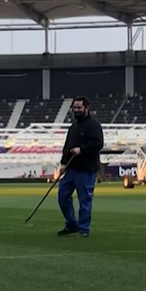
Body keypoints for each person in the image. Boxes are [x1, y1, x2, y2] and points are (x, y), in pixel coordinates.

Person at [57, 96, 104, 238]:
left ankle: (84, 229)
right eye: (74, 108)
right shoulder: (74, 127)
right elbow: (67, 147)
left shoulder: (94, 125)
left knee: (84, 200)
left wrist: (81, 149)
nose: (76, 110)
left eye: (79, 108)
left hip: (86, 169)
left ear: (86, 108)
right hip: (71, 169)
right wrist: (63, 163)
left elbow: (98, 144)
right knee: (62, 197)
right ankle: (71, 224)